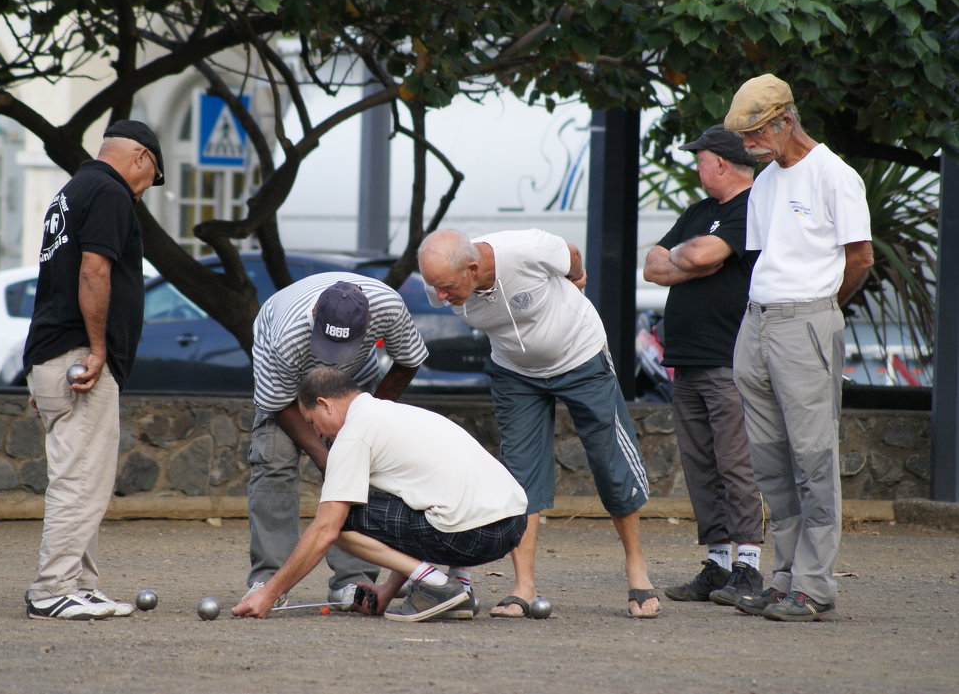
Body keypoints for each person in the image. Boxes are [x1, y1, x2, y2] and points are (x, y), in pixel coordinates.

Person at [418, 228, 661, 618]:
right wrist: (443, 287)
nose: (440, 297)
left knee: (608, 461)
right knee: (519, 474)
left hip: (579, 355)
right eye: (436, 288)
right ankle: (523, 587)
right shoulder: (441, 283)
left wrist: (577, 279)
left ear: (473, 266)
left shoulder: (524, 249)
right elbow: (445, 289)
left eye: (446, 287)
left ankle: (637, 569)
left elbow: (572, 256)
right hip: (514, 371)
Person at [724, 74, 873, 622]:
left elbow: (860, 258)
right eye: (743, 136)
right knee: (769, 461)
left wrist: (820, 309)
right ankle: (784, 577)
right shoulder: (765, 182)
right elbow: (767, 257)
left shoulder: (836, 175)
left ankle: (814, 585)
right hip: (758, 321)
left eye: (757, 132)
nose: (748, 145)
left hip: (806, 320)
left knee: (813, 458)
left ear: (787, 120)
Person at [233, 367, 528, 622]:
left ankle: (439, 587)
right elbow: (416, 506)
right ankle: (458, 588)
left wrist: (269, 593)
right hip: (513, 528)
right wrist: (388, 590)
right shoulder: (400, 413)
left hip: (469, 536)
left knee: (342, 523)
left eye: (312, 422)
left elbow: (325, 531)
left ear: (326, 405)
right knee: (430, 502)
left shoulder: (354, 434)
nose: (318, 433)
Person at [21, 119, 164, 620]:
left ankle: (79, 584)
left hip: (53, 353)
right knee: (80, 479)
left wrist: (35, 365)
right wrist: (98, 350)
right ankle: (51, 589)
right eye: (151, 178)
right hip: (79, 356)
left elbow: (48, 286)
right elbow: (92, 270)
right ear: (141, 158)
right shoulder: (109, 192)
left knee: (86, 475)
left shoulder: (71, 191)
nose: (145, 192)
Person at [247, 273, 429, 610]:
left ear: (369, 322)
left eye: (342, 349)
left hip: (353, 384)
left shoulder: (388, 306)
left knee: (362, 472)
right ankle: (269, 580)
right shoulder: (286, 333)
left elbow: (409, 359)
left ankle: (353, 580)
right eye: (328, 347)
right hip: (290, 388)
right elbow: (277, 403)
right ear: (315, 313)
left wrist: (370, 413)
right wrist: (324, 456)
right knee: (274, 460)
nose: (333, 358)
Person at [642, 124, 766, 606]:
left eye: (700, 158)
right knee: (699, 463)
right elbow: (653, 265)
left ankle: (748, 566)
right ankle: (716, 562)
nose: (696, 165)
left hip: (728, 356)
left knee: (735, 462)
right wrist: (690, 259)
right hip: (687, 360)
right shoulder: (698, 211)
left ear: (720, 162)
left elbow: (708, 252)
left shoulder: (751, 206)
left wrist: (693, 257)